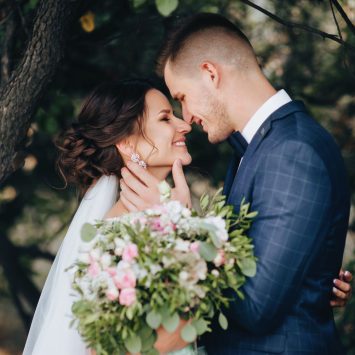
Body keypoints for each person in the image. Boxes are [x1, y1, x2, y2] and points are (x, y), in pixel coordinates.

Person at [119, 13, 353, 354]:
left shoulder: (293, 151)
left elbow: (257, 307)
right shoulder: (257, 148)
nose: (186, 117)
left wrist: (177, 225)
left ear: (210, 74)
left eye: (182, 97)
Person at [23, 80, 194, 354]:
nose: (185, 125)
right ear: (126, 143)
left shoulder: (167, 214)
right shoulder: (117, 236)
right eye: (165, 118)